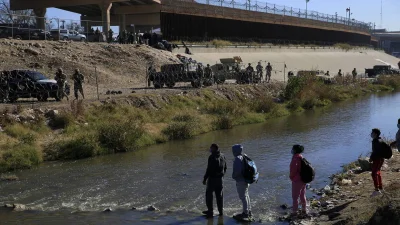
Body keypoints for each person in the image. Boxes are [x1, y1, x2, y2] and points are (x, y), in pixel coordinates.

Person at [202, 143, 227, 218]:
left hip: (212, 179)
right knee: (219, 196)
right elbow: (225, 167)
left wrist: (205, 179)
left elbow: (209, 169)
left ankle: (210, 211)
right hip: (220, 179)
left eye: (211, 148)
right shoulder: (223, 155)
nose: (210, 149)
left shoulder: (211, 157)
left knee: (209, 195)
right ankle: (220, 212)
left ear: (214, 148)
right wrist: (222, 176)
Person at [232, 144, 252, 220]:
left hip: (241, 180)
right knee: (246, 195)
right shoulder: (244, 156)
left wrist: (233, 177)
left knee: (243, 197)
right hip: (247, 180)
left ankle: (245, 213)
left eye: (233, 150)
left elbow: (237, 172)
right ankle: (249, 211)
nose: (232, 152)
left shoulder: (237, 158)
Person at [290, 145, 307, 216]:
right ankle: (304, 209)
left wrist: (291, 177)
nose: (291, 150)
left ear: (295, 150)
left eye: (292, 149)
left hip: (297, 180)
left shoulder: (295, 159)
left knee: (295, 197)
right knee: (302, 195)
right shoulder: (301, 157)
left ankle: (294, 212)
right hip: (304, 179)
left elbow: (293, 170)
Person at [369, 128, 385, 197]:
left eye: (372, 133)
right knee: (378, 172)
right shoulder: (380, 139)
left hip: (377, 159)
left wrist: (371, 158)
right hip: (381, 159)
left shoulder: (375, 141)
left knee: (373, 173)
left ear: (375, 134)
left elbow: (375, 152)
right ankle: (380, 188)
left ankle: (377, 190)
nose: (371, 134)